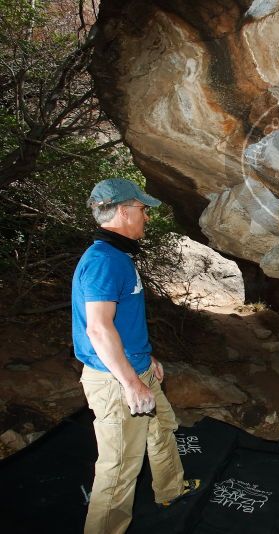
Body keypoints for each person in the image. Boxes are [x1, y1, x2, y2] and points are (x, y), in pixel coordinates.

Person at [72, 178, 200, 534]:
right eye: (143, 210)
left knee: (161, 430)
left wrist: (147, 358)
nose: (147, 217)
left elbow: (121, 323)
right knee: (119, 468)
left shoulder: (116, 256)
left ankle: (170, 491)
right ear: (125, 210)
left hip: (136, 368)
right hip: (117, 381)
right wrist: (130, 381)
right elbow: (98, 328)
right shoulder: (104, 261)